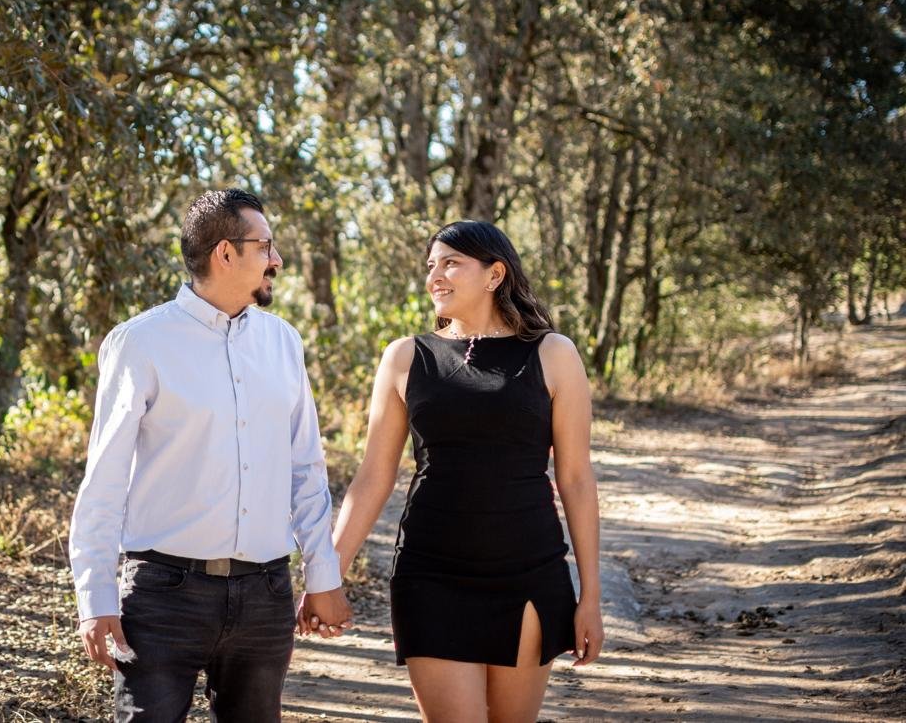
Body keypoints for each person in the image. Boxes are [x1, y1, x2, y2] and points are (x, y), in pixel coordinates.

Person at [299, 220, 603, 722]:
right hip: (430, 575)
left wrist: (590, 596)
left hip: (528, 573)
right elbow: (373, 476)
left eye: (451, 263)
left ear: (494, 274)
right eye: (431, 266)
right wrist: (325, 575)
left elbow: (575, 479)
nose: (435, 276)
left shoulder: (553, 353)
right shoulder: (404, 357)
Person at [69, 188, 353, 722]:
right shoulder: (140, 343)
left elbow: (306, 471)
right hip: (163, 598)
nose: (276, 259)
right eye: (265, 246)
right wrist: (95, 597)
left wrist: (324, 576)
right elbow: (104, 480)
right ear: (225, 253)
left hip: (266, 595)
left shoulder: (283, 342)